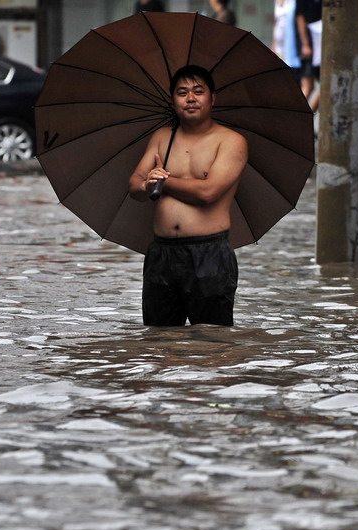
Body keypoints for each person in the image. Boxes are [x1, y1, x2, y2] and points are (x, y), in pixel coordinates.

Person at [128, 65, 248, 327]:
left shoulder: (230, 141)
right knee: (159, 341)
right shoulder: (162, 138)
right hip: (162, 254)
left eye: (198, 91)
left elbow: (208, 192)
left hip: (209, 253)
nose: (190, 98)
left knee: (212, 341)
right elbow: (135, 184)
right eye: (182, 92)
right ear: (173, 99)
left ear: (212, 98)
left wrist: (165, 181)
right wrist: (147, 186)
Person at [295, 0, 322, 112]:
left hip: (317, 46)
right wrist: (305, 44)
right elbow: (300, 18)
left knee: (316, 87)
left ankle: (302, 118)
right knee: (309, 86)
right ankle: (299, 117)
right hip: (310, 47)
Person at [272, 0, 301, 79]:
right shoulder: (277, 2)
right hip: (279, 45)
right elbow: (276, 24)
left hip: (291, 44)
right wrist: (273, 45)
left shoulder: (293, 2)